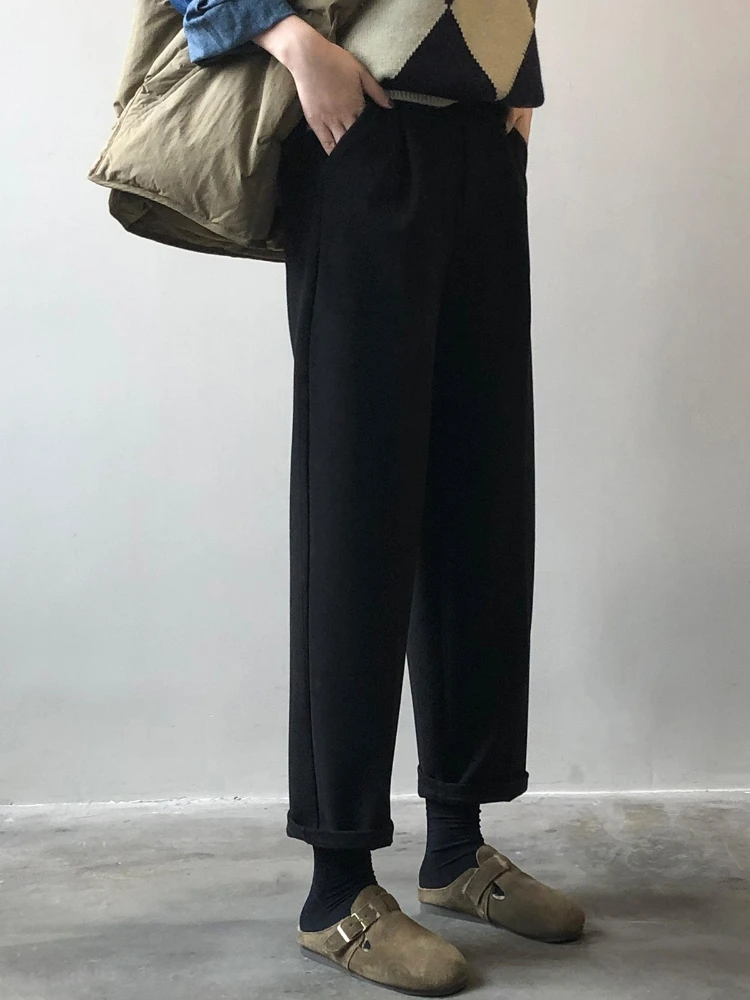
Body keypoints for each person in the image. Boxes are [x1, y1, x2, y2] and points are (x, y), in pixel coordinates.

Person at [146, 0, 587, 992]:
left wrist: (520, 71)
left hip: (482, 142)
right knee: (355, 507)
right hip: (362, 133)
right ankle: (336, 887)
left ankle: (456, 849)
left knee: (479, 497)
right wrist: (296, 47)